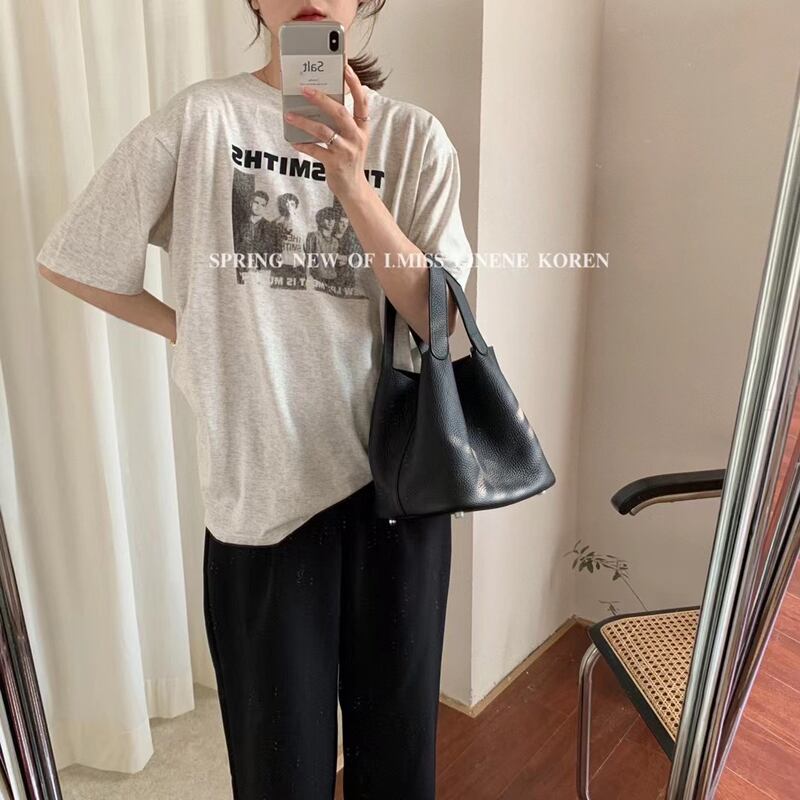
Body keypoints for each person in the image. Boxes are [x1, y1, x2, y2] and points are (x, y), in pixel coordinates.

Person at [35, 1, 474, 798]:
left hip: (398, 493)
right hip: (261, 500)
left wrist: (353, 183)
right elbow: (77, 255)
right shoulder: (202, 120)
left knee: (398, 768)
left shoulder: (413, 138)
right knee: (280, 775)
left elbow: (438, 318)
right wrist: (190, 329)